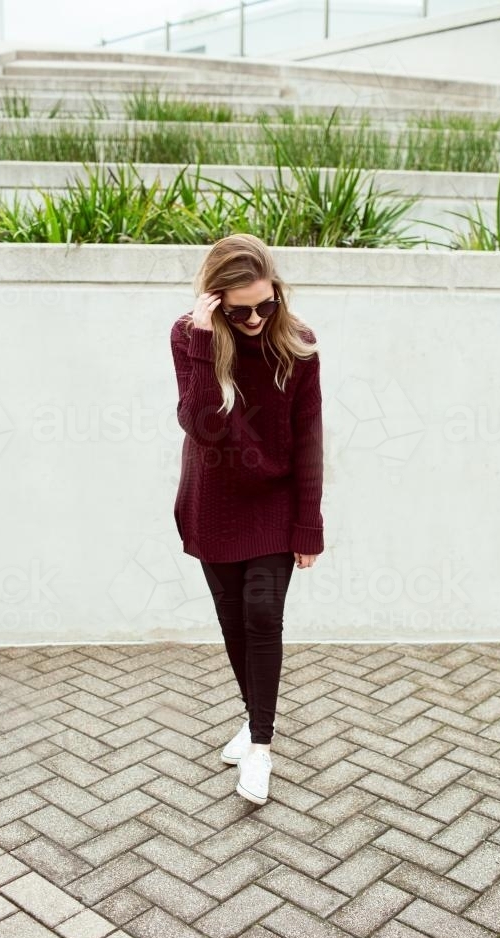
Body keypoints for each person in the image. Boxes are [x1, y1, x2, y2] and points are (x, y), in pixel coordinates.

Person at [170, 234, 325, 806]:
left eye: (267, 303)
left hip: (274, 500)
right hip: (214, 501)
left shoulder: (299, 345)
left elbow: (309, 439)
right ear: (215, 302)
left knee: (263, 612)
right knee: (233, 618)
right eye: (242, 310)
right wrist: (205, 342)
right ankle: (252, 718)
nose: (258, 318)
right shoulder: (191, 337)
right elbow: (202, 425)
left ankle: (261, 745)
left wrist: (309, 525)